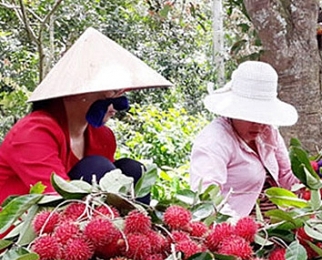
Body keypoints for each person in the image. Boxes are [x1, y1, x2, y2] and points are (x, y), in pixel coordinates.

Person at [0, 27, 171, 205]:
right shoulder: (33, 132)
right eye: (112, 92)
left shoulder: (103, 136)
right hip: (30, 225)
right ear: (74, 93)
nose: (116, 106)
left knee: (133, 170)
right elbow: (55, 200)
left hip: (83, 218)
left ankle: (139, 230)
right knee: (97, 167)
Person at [190, 60, 300, 217]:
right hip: (233, 229)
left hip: (276, 225)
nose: (259, 124)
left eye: (263, 117)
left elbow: (286, 177)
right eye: (251, 116)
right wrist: (236, 227)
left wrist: (313, 175)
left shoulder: (269, 132)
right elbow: (206, 197)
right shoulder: (214, 140)